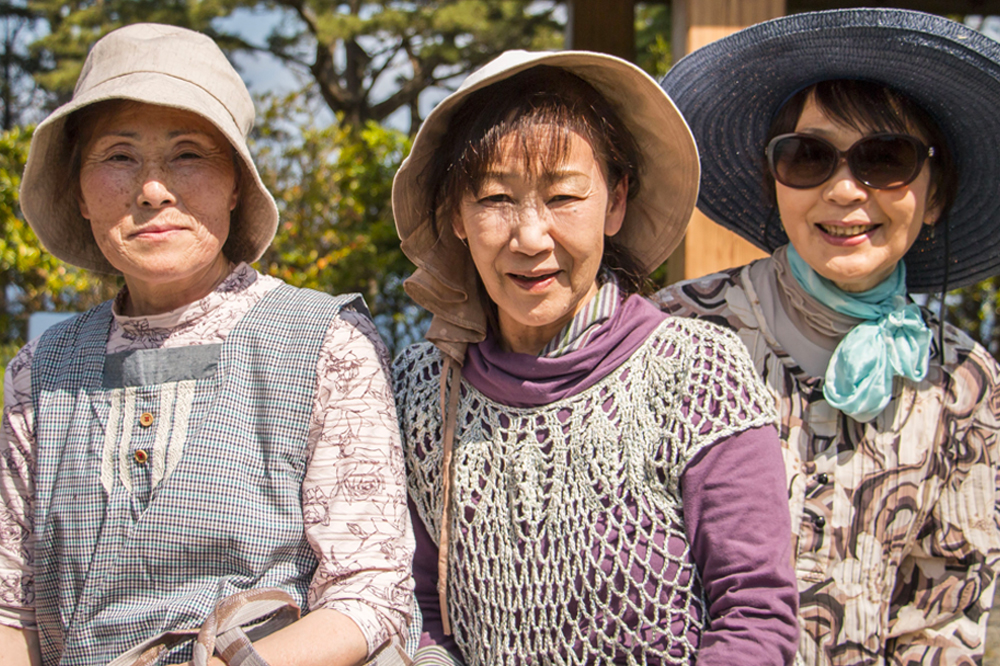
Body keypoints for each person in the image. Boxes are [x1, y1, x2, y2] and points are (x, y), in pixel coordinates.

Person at [0, 23, 413, 666]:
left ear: (237, 183)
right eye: (118, 156)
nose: (152, 189)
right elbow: (12, 615)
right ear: (79, 193)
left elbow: (370, 593)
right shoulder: (40, 373)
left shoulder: (326, 345)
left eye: (188, 153)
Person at [390, 50, 800, 666]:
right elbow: (418, 604)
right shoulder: (421, 391)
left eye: (563, 197)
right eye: (496, 198)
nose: (530, 237)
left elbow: (755, 611)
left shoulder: (697, 371)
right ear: (456, 216)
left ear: (615, 201)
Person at [654, 9, 1000, 666]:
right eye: (808, 156)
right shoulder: (677, 337)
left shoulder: (963, 382)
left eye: (886, 159)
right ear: (774, 180)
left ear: (934, 195)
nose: (844, 190)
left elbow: (945, 614)